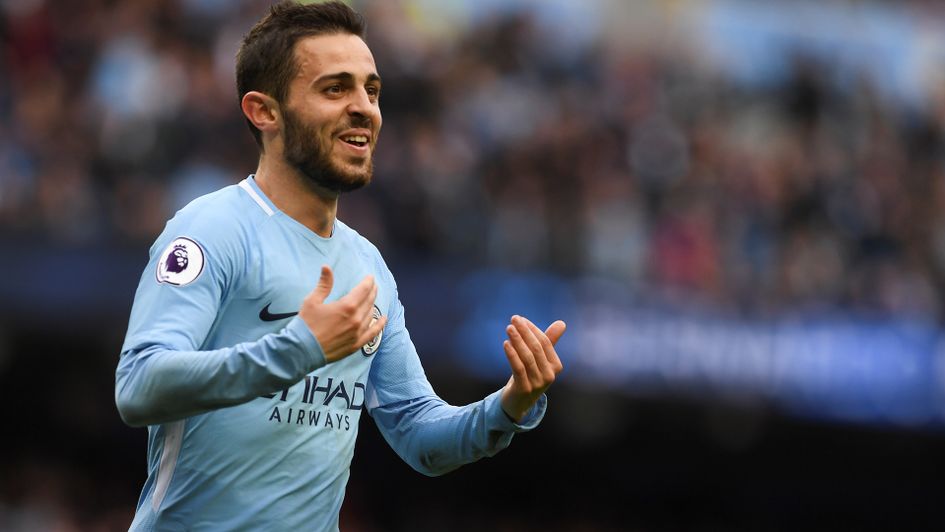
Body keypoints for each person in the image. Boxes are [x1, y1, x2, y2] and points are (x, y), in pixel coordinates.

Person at [114, 1, 566, 530]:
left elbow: (420, 434)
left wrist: (510, 404)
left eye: (371, 90)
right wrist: (299, 349)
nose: (365, 108)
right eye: (335, 89)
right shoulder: (212, 229)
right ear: (265, 111)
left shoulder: (367, 266)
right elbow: (139, 384)